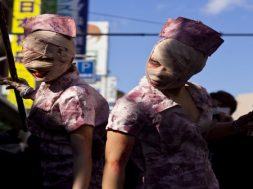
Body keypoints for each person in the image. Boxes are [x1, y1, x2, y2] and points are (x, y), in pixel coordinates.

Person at [102, 17, 253, 189]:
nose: (158, 73)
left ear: (193, 70)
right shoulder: (132, 106)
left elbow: (198, 134)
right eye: (155, 62)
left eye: (173, 68)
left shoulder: (199, 94)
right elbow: (115, 164)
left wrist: (235, 127)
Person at [0, 14, 109, 189]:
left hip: (64, 180)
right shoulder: (52, 85)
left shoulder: (75, 97)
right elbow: (54, 108)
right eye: (28, 59)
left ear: (67, 57)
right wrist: (27, 91)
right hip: (44, 173)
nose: (35, 67)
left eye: (46, 59)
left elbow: (82, 156)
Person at [208, 90, 253, 189]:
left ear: (229, 110)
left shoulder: (241, 132)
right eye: (212, 106)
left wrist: (232, 127)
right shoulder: (200, 132)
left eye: (220, 106)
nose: (215, 109)